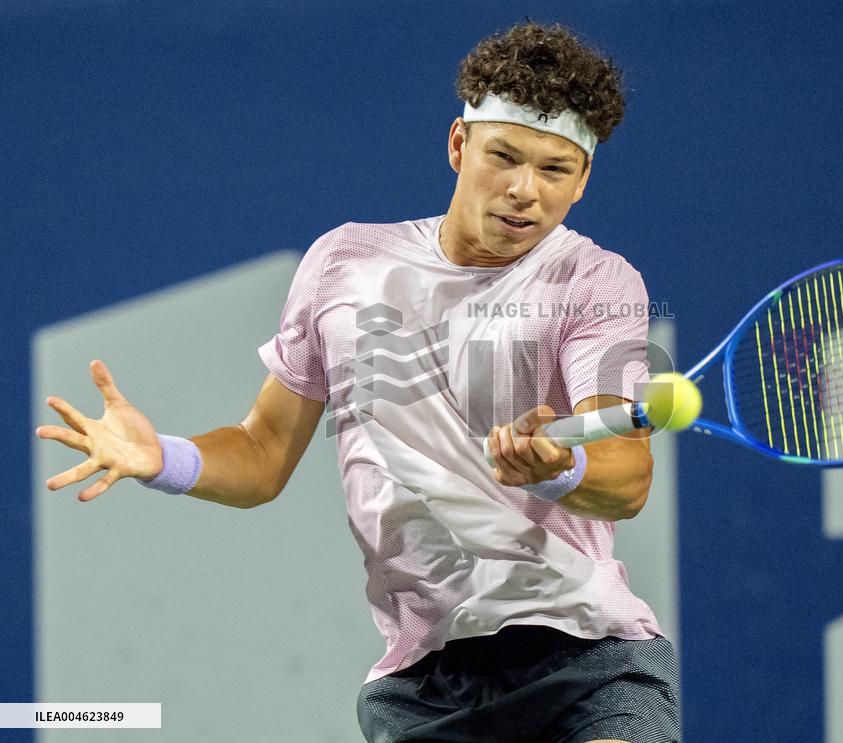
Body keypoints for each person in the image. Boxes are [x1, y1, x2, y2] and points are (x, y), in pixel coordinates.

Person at [36, 21, 680, 743]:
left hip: (588, 654)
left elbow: (627, 476)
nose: (524, 190)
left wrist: (562, 469)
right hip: (424, 681)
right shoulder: (344, 264)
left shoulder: (599, 281)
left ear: (583, 179)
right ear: (459, 146)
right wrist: (166, 457)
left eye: (555, 169)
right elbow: (262, 451)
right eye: (504, 156)